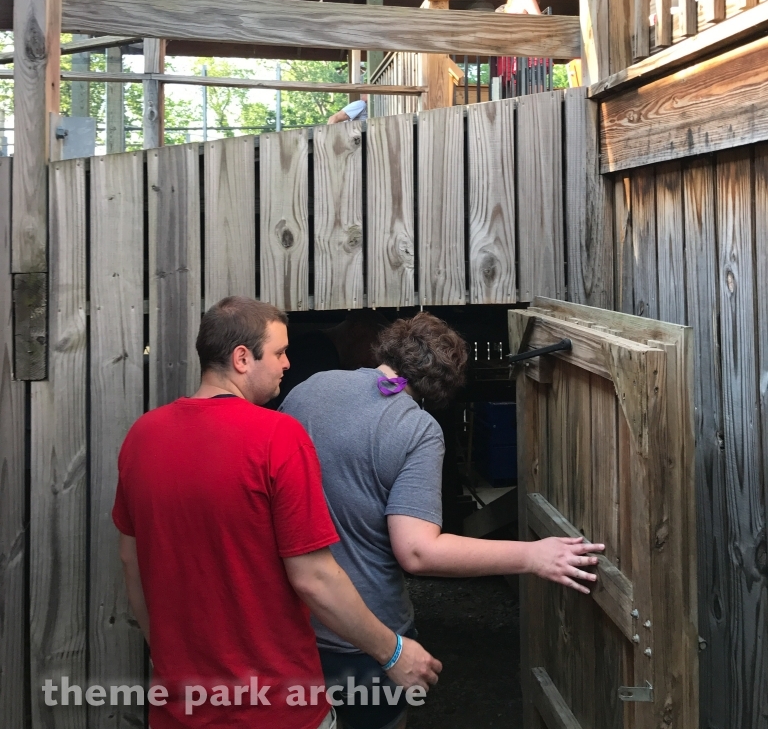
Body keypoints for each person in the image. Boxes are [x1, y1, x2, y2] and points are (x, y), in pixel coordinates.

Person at [113, 297, 440, 729]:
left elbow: (130, 560)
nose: (288, 363)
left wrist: (167, 655)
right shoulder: (277, 437)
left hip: (180, 707)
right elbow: (314, 577)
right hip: (276, 708)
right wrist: (393, 651)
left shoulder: (142, 437)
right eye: (280, 352)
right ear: (242, 358)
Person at [280, 313, 604, 729]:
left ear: (389, 346)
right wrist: (534, 556)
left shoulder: (310, 388)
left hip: (293, 625)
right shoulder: (416, 429)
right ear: (444, 383)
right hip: (368, 638)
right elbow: (417, 551)